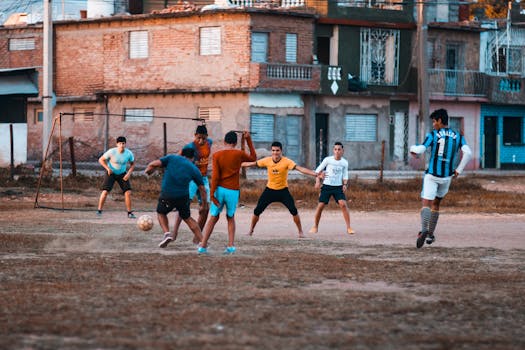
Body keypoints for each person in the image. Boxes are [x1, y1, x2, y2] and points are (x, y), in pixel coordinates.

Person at [410, 108, 472, 248]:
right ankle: (430, 235)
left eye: (434, 121)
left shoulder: (433, 134)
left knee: (426, 203)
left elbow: (420, 149)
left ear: (439, 120)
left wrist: (413, 149)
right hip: (446, 177)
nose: (433, 124)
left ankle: (424, 229)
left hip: (432, 175)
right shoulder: (458, 136)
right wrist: (459, 170)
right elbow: (468, 153)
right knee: (436, 204)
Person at [242, 141, 317, 238]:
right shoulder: (267, 160)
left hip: (283, 191)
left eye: (277, 150)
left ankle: (300, 232)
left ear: (281, 151)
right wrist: (240, 164)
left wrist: (315, 174)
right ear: (271, 151)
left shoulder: (287, 161)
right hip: (269, 190)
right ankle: (250, 231)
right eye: (273, 150)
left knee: (293, 210)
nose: (275, 153)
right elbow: (253, 164)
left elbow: (300, 169)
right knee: (257, 211)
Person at [198, 130, 256, 254]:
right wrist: (248, 140)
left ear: (224, 142)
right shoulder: (239, 154)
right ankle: (230, 246)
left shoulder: (217, 155)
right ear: (235, 143)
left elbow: (215, 176)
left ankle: (202, 246)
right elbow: (253, 158)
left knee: (213, 217)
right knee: (230, 217)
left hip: (219, 190)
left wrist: (212, 194)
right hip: (233, 191)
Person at [144, 148, 208, 249]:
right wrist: (204, 204)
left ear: (182, 154)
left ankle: (167, 234)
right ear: (192, 158)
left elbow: (154, 164)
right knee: (188, 218)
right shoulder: (194, 169)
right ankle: (203, 242)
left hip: (167, 194)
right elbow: (202, 189)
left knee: (161, 213)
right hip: (183, 197)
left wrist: (148, 170)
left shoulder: (172, 158)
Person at [171, 124, 212, 243]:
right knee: (184, 205)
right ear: (195, 136)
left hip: (203, 179)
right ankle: (174, 233)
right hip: (191, 179)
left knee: (205, 208)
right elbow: (176, 158)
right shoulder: (190, 146)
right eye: (199, 138)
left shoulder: (210, 142)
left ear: (207, 137)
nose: (201, 141)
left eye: (203, 138)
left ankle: (197, 238)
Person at [309, 142, 355, 235]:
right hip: (326, 187)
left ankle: (349, 227)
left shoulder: (344, 162)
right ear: (333, 150)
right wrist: (317, 181)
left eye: (339, 149)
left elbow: (345, 174)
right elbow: (317, 171)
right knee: (320, 206)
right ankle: (315, 226)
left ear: (342, 151)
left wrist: (345, 184)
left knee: (343, 204)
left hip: (338, 187)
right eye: (335, 149)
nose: (337, 151)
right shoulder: (328, 160)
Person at [97, 136, 136, 218]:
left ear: (125, 144)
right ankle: (99, 210)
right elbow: (101, 160)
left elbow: (132, 164)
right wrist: (107, 168)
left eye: (123, 143)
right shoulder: (111, 152)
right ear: (117, 144)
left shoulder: (129, 153)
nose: (121, 145)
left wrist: (128, 173)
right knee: (105, 191)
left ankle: (129, 213)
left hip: (122, 174)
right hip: (111, 173)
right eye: (120, 143)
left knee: (128, 192)